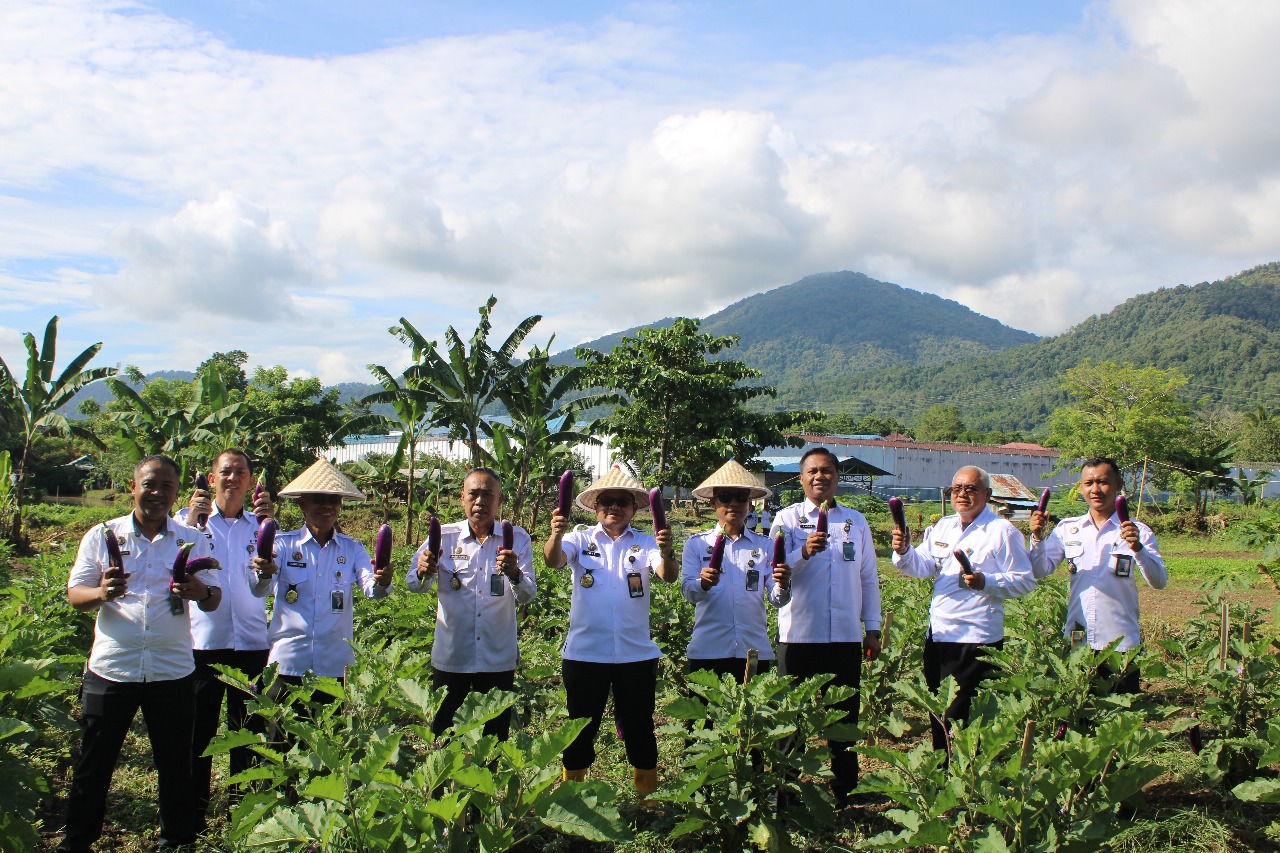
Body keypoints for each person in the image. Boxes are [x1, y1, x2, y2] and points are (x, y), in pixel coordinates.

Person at [59, 455, 220, 853]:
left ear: (175, 494)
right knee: (94, 763)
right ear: (133, 487)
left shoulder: (192, 539)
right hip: (112, 668)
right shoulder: (102, 535)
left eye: (167, 487)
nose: (157, 493)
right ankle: (77, 842)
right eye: (150, 484)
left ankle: (176, 840)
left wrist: (199, 591)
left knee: (175, 765)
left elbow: (214, 598)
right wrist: (101, 592)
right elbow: (75, 595)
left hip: (172, 670)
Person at [542, 467, 677, 799]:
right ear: (596, 506)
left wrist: (669, 550)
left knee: (640, 727)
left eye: (622, 501)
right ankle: (572, 795)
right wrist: (555, 535)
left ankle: (646, 796)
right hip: (586, 653)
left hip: (635, 654)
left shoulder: (646, 543)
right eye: (606, 501)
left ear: (633, 508)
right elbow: (553, 560)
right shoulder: (579, 538)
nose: (614, 507)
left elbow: (668, 575)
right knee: (579, 729)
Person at [891, 465, 1035, 749]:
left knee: (965, 717)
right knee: (939, 711)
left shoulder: (1002, 531)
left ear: (987, 494)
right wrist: (904, 551)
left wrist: (987, 581)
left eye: (970, 489)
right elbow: (921, 566)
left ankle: (967, 777)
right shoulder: (943, 526)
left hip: (975, 638)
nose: (962, 495)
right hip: (940, 635)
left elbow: (1025, 581)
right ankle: (943, 773)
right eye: (957, 488)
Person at [769, 447, 881, 806]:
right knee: (790, 722)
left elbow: (868, 577)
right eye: (813, 471)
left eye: (828, 470)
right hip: (799, 636)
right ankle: (784, 794)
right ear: (802, 478)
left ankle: (846, 792)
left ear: (837, 476)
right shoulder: (785, 521)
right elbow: (776, 572)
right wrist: (803, 554)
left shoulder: (856, 522)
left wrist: (873, 628)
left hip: (845, 636)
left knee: (843, 720)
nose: (821, 477)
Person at [176, 448, 276, 819]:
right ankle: (193, 812)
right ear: (212, 478)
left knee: (246, 732)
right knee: (197, 735)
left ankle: (243, 811)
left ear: (251, 482)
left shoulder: (262, 527)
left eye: (241, 472)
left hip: (252, 643)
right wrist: (189, 520)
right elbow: (176, 567)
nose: (233, 478)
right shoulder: (188, 524)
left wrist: (270, 535)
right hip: (201, 645)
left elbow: (265, 586)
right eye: (226, 472)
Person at [407, 468, 536, 739]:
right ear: (462, 497)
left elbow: (527, 595)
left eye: (488, 495)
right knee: (444, 734)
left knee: (494, 738)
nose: (480, 502)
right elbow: (414, 585)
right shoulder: (442, 536)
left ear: (499, 500)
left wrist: (514, 573)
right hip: (452, 656)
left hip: (497, 658)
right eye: (473, 494)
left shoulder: (518, 539)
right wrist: (422, 571)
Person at [1029, 457, 1167, 693]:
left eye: (1102, 482)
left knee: (1121, 720)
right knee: (1080, 718)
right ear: (1081, 487)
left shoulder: (1137, 531)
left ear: (1117, 485)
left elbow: (1159, 582)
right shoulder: (1068, 529)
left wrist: (1138, 549)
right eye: (1088, 483)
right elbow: (1040, 570)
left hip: (1122, 643)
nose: (1095, 489)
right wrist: (1038, 538)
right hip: (1077, 640)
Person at [259, 459, 394, 688]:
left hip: (333, 668)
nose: (327, 506)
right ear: (303, 503)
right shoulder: (283, 545)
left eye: (334, 500)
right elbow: (259, 588)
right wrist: (263, 572)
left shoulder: (353, 549)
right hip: (288, 664)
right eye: (319, 499)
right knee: (280, 724)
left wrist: (383, 580)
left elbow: (373, 590)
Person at [681, 460, 790, 680]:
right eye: (725, 497)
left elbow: (777, 600)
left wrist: (784, 584)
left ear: (750, 505)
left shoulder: (765, 546)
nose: (733, 504)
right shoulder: (696, 544)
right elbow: (689, 592)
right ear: (713, 503)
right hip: (709, 649)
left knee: (754, 713)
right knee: (705, 714)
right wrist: (702, 584)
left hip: (753, 648)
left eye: (741, 498)